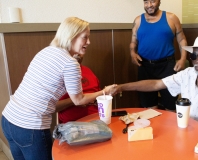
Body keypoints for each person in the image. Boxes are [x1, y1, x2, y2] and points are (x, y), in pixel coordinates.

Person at [1, 17, 115, 160]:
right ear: (71, 36)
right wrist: (105, 91)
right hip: (30, 126)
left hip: (8, 118)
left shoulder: (46, 51)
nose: (89, 42)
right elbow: (79, 100)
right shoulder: (70, 63)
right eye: (85, 37)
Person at [114, 32, 198, 159]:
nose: (197, 60)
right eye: (193, 55)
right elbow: (156, 84)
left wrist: (188, 136)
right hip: (194, 127)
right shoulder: (188, 74)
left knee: (183, 151)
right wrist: (121, 87)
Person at [130, 0, 187, 110]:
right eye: (146, 2)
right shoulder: (138, 20)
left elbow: (182, 39)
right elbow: (133, 41)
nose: (149, 5)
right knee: (149, 106)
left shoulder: (171, 18)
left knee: (171, 105)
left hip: (167, 66)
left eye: (153, 1)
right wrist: (132, 53)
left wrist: (183, 58)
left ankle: (170, 127)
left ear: (159, 1)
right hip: (144, 66)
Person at [57, 54, 100, 123]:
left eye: (81, 50)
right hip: (72, 126)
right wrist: (76, 100)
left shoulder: (88, 71)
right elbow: (53, 107)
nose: (77, 54)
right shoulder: (59, 74)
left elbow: (98, 96)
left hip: (97, 121)